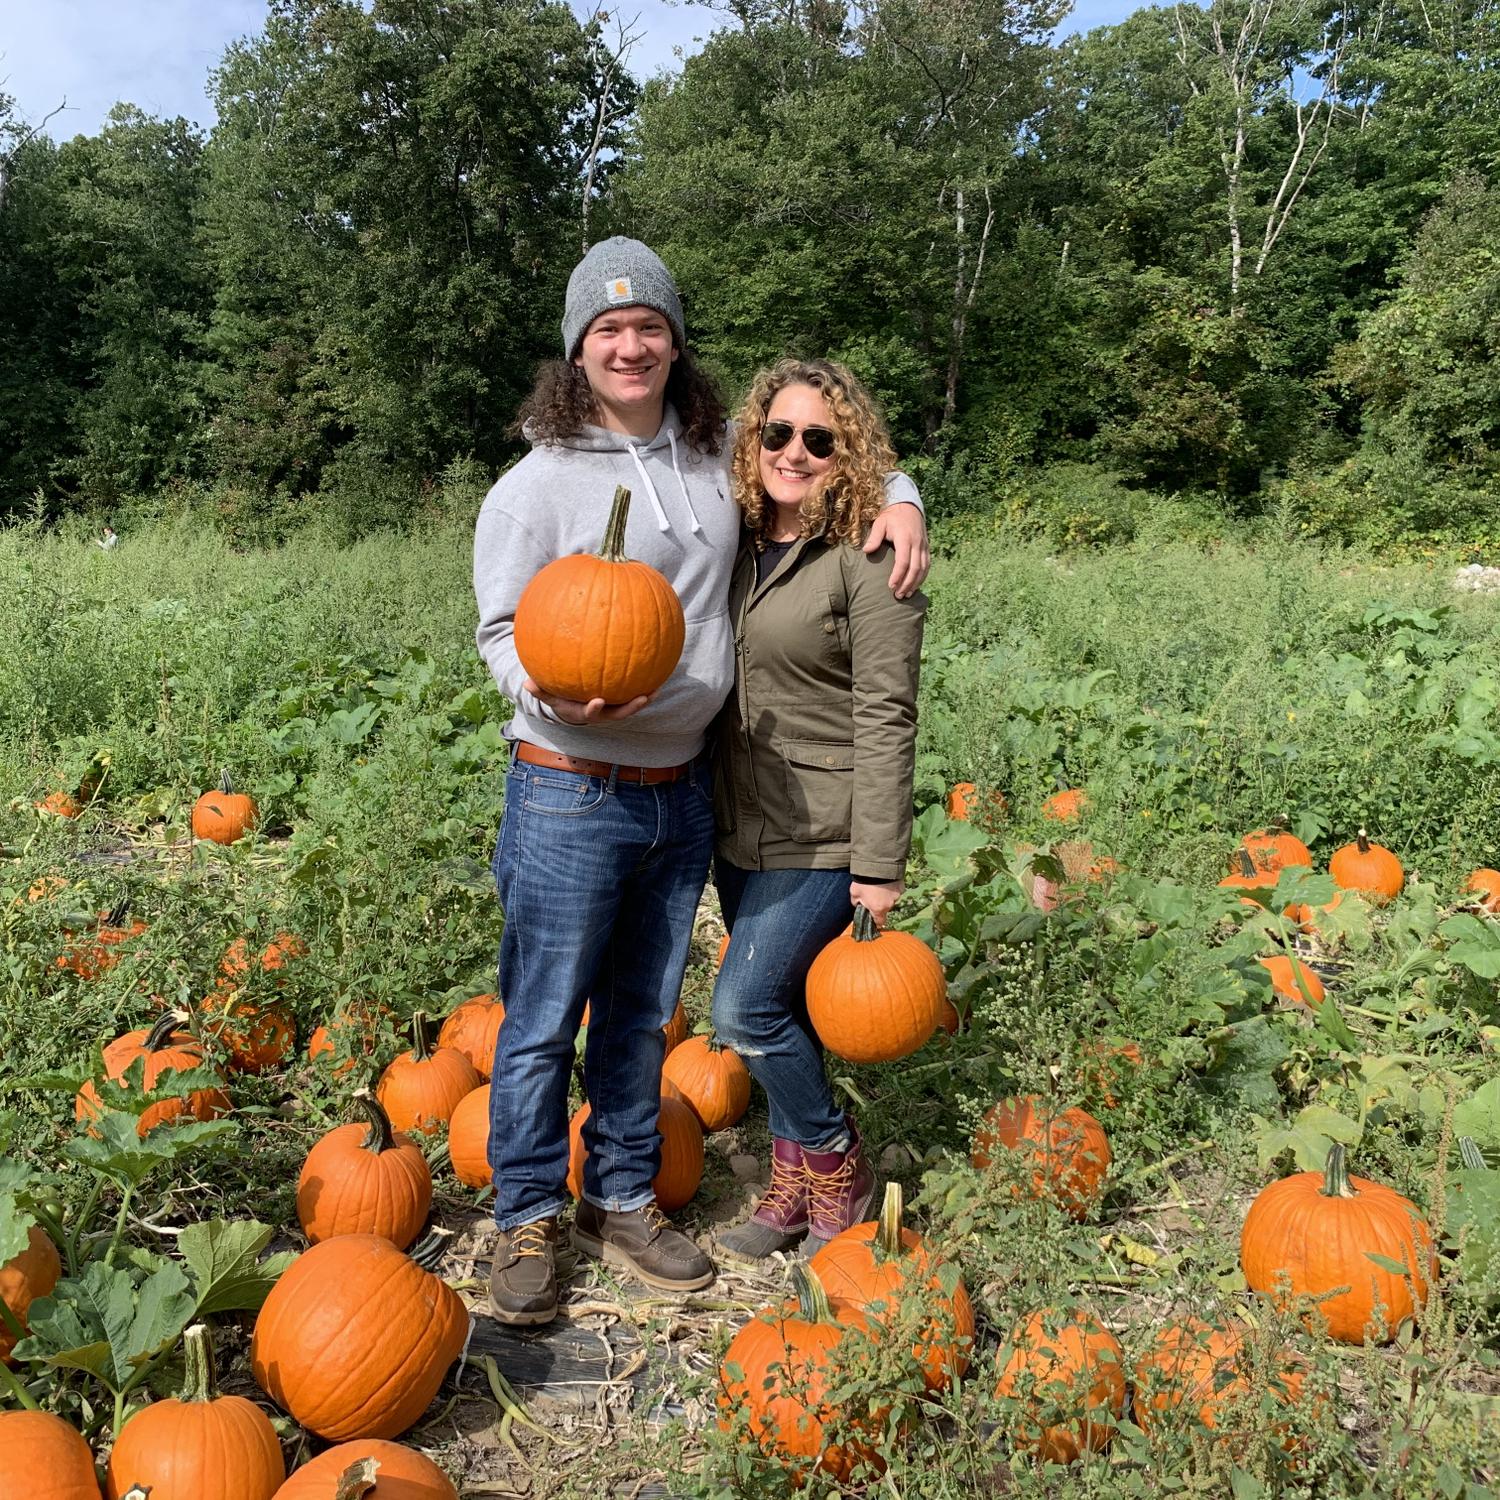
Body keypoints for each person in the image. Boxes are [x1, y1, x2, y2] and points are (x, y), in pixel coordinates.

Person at [472, 238, 929, 1325]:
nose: (631, 346)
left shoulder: (715, 453)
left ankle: (623, 1198)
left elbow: (828, 446)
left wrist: (902, 495)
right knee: (541, 1020)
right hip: (570, 783)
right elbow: (501, 632)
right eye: (607, 330)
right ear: (577, 351)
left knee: (639, 1019)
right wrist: (549, 693)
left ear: (676, 343)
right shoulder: (532, 488)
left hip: (683, 794)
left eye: (651, 327)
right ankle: (527, 1214)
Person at [712, 359, 927, 1260]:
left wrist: (879, 865)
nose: (793, 452)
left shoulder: (871, 557)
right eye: (777, 433)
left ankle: (836, 1158)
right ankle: (792, 1176)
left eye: (818, 439)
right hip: (740, 820)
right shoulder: (731, 540)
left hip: (827, 828)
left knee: (741, 1010)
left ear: (848, 457)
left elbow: (888, 711)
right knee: (786, 1007)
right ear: (752, 440)